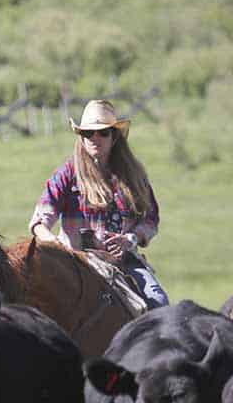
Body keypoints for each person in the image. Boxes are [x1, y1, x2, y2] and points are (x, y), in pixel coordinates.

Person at [29, 99, 168, 310]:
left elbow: (150, 219)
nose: (95, 139)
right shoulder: (67, 174)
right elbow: (39, 221)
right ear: (81, 138)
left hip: (124, 263)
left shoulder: (134, 175)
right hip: (75, 263)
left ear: (114, 137)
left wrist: (130, 239)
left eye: (103, 132)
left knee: (158, 302)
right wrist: (55, 244)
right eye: (88, 134)